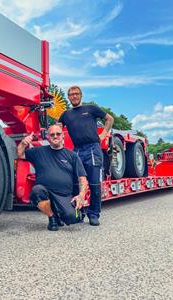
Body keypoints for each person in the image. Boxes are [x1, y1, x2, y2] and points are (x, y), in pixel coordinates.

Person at [59, 86, 114, 226]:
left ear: (81, 95)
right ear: (68, 97)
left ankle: (94, 214)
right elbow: (57, 128)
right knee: (76, 184)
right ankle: (79, 213)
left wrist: (104, 134)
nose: (74, 97)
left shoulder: (91, 108)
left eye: (76, 94)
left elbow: (110, 119)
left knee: (95, 184)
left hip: (92, 149)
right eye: (71, 95)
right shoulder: (66, 114)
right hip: (76, 151)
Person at [17, 124, 89, 231]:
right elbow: (20, 154)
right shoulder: (38, 152)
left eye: (58, 134)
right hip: (45, 192)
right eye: (52, 134)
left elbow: (82, 178)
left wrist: (81, 195)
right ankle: (52, 217)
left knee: (73, 218)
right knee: (37, 191)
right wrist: (23, 143)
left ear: (63, 136)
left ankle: (61, 214)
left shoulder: (72, 155)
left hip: (64, 195)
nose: (55, 136)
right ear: (48, 137)